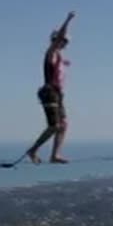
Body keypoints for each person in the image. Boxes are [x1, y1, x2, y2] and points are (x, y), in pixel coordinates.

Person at [26, 11, 75, 164]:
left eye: (65, 42)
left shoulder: (58, 56)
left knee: (64, 125)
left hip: (58, 93)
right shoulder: (51, 52)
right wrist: (68, 20)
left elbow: (57, 67)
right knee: (54, 126)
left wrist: (64, 63)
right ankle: (33, 150)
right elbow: (60, 36)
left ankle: (55, 155)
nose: (63, 44)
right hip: (49, 92)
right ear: (56, 40)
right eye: (61, 41)